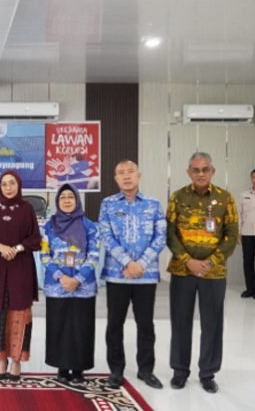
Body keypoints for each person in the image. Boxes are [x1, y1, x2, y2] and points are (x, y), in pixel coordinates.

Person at [166, 152, 238, 393]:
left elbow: (232, 234)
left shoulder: (225, 198)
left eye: (205, 169)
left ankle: (208, 373)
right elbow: (170, 233)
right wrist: (188, 260)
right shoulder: (178, 197)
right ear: (188, 172)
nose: (200, 174)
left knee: (212, 324)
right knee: (180, 322)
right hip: (182, 270)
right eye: (195, 169)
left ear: (212, 171)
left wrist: (210, 261)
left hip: (213, 272)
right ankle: (179, 371)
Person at [98, 160, 166, 389]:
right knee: (114, 324)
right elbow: (106, 236)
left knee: (145, 325)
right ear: (115, 178)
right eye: (121, 173)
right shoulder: (108, 204)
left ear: (139, 175)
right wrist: (128, 262)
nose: (126, 176)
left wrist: (141, 264)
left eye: (131, 172)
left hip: (146, 275)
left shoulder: (153, 204)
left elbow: (161, 237)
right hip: (117, 275)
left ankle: (146, 370)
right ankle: (116, 371)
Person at [0, 170, 41, 380]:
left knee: (20, 314)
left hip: (21, 268)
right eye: (4, 183)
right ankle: (1, 359)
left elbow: (35, 239)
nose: (8, 187)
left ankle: (16, 361)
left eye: (12, 183)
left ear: (19, 185)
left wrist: (16, 248)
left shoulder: (27, 208)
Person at [41, 183, 99, 384]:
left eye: (71, 197)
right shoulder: (49, 226)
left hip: (83, 287)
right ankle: (62, 367)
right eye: (63, 197)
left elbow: (94, 255)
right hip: (58, 286)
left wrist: (78, 279)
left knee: (81, 328)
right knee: (60, 326)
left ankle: (79, 369)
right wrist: (61, 277)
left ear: (77, 200)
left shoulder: (89, 226)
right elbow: (44, 255)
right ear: (57, 201)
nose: (67, 200)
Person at [238, 168, 255, 298]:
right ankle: (250, 289)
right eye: (253, 177)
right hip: (247, 233)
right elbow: (238, 214)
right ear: (251, 179)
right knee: (248, 262)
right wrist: (239, 231)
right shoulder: (244, 195)